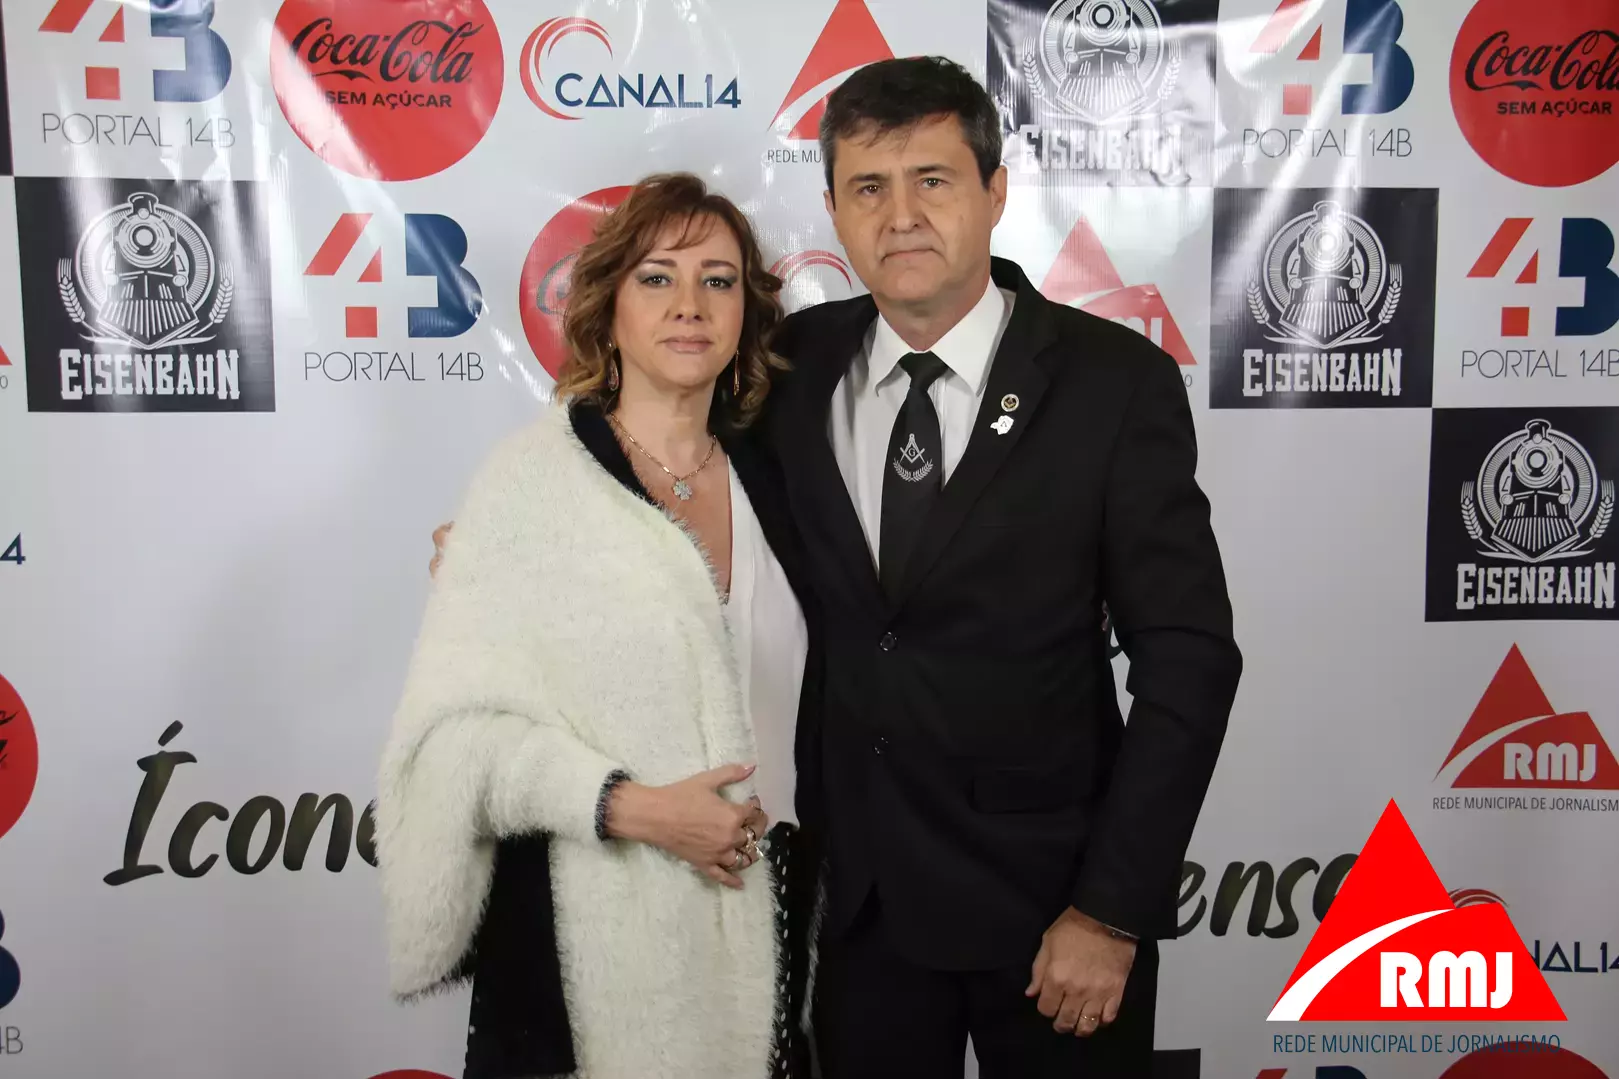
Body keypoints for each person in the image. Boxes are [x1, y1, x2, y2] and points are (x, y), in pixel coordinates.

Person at [761, 57, 1242, 1078]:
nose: (900, 216)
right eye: (867, 187)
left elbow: (1188, 662)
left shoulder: (1114, 383)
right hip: (859, 919)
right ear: (833, 211)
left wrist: (1110, 911)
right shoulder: (788, 371)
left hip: (1055, 918)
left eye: (931, 180)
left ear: (995, 192)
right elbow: (662, 453)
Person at [378, 173, 817, 1080]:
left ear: (746, 313)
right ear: (607, 310)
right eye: (656, 278)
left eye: (717, 280)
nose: (689, 305)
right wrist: (636, 809)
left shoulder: (785, 480)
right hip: (580, 944)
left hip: (774, 917)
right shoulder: (531, 486)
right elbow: (454, 745)